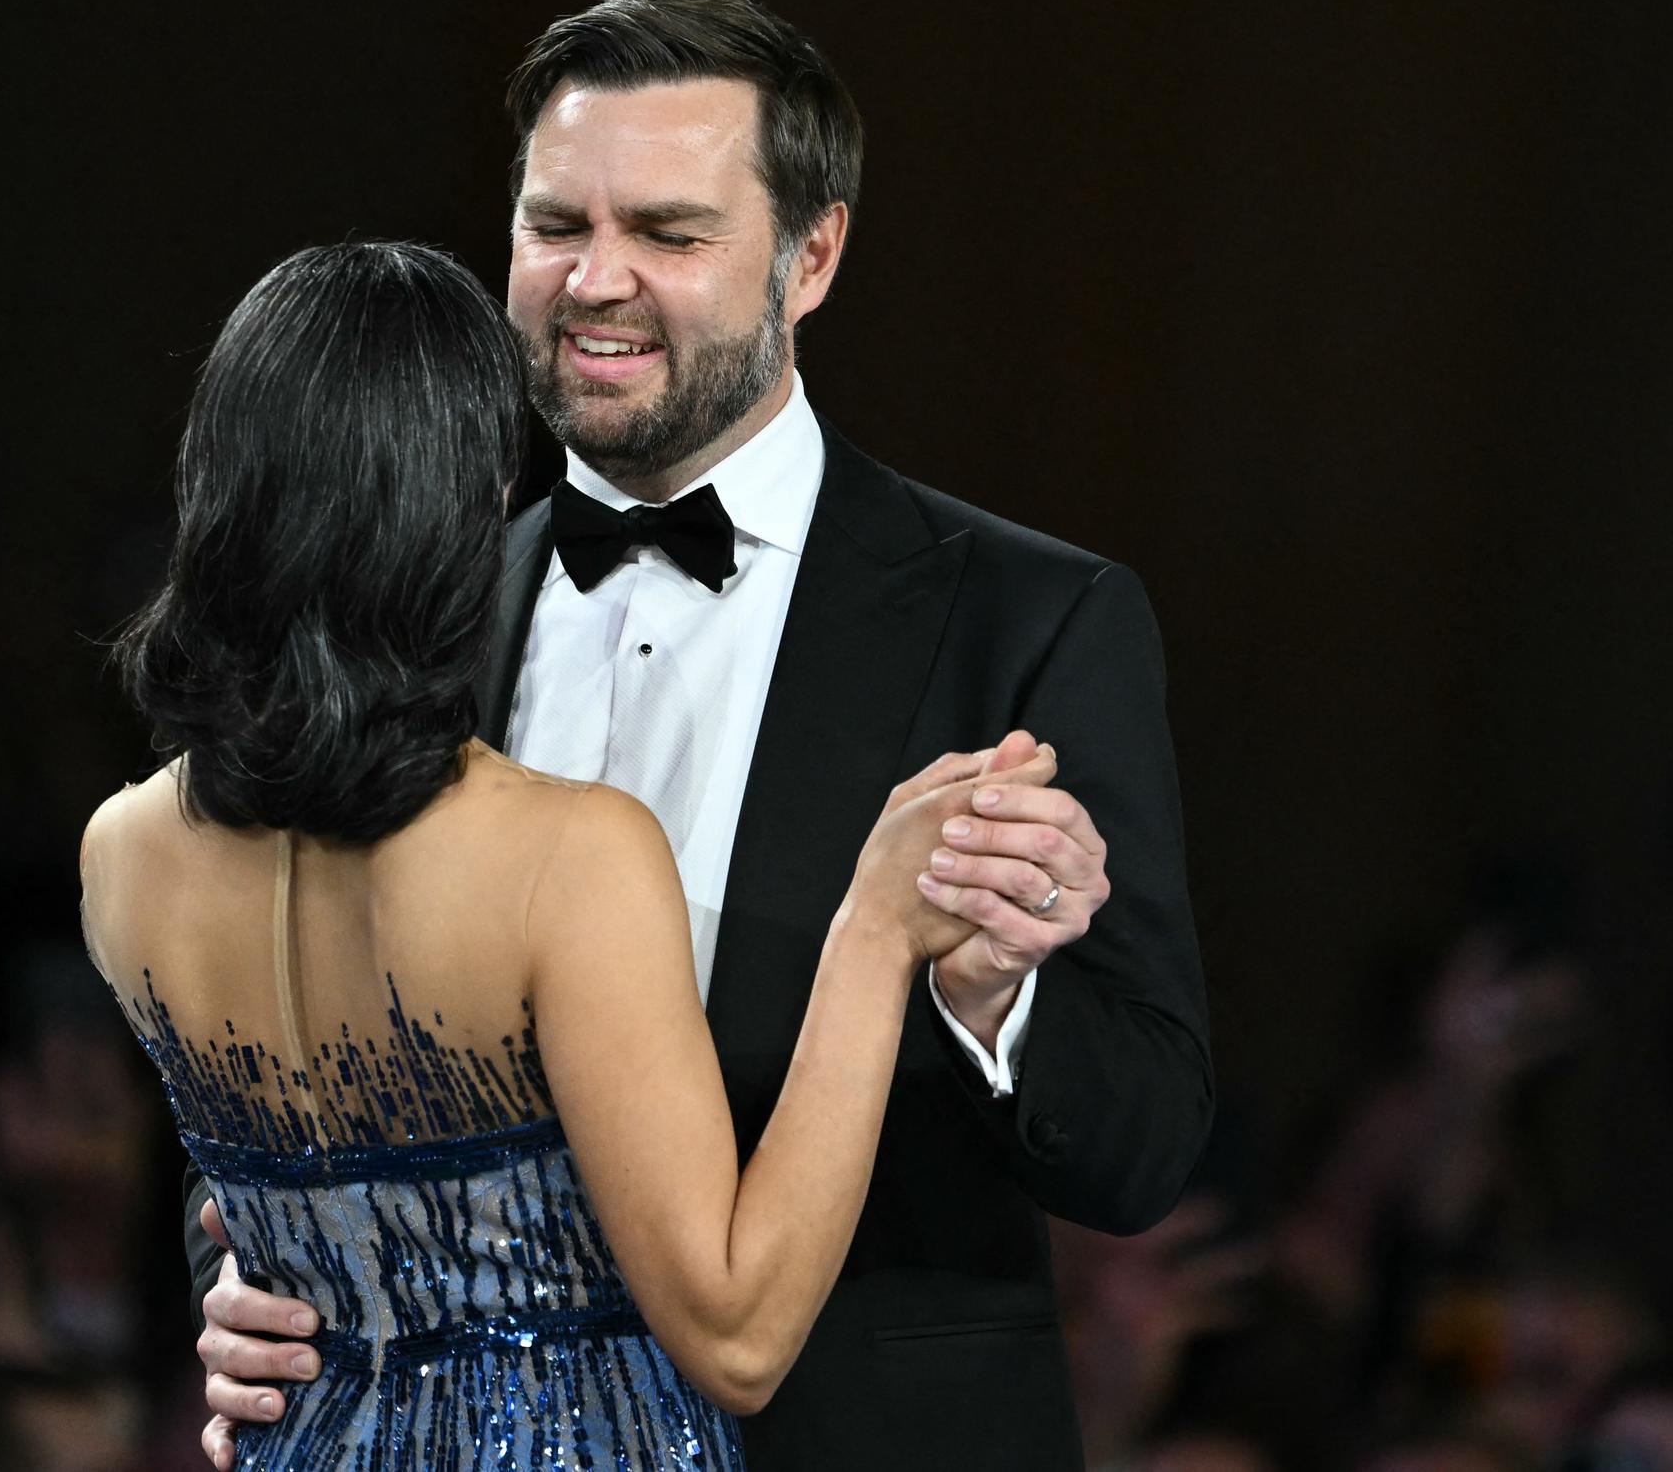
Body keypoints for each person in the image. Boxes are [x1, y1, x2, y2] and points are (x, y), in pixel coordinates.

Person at [182, 0, 1214, 1472]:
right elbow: (270, 1031)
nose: (596, 282)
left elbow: (1143, 1149)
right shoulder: (412, 602)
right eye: (556, 228)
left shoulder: (1028, 618)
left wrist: (997, 1002)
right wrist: (235, 1269)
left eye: (668, 235)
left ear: (814, 255)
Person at [81, 240, 1060, 1469]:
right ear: (470, 504)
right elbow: (739, 1335)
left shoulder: (117, 856)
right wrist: (876, 927)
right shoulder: (570, 854)